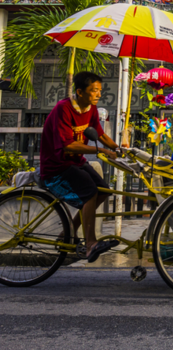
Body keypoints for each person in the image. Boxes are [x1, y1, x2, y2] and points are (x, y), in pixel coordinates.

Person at [40, 72, 121, 262]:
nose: (98, 94)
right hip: (57, 166)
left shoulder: (91, 109)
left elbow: (99, 134)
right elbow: (67, 146)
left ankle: (68, 231)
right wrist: (102, 151)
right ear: (80, 92)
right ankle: (91, 244)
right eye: (94, 91)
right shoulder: (64, 109)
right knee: (89, 192)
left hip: (76, 163)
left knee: (103, 191)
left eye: (100, 90)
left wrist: (117, 148)